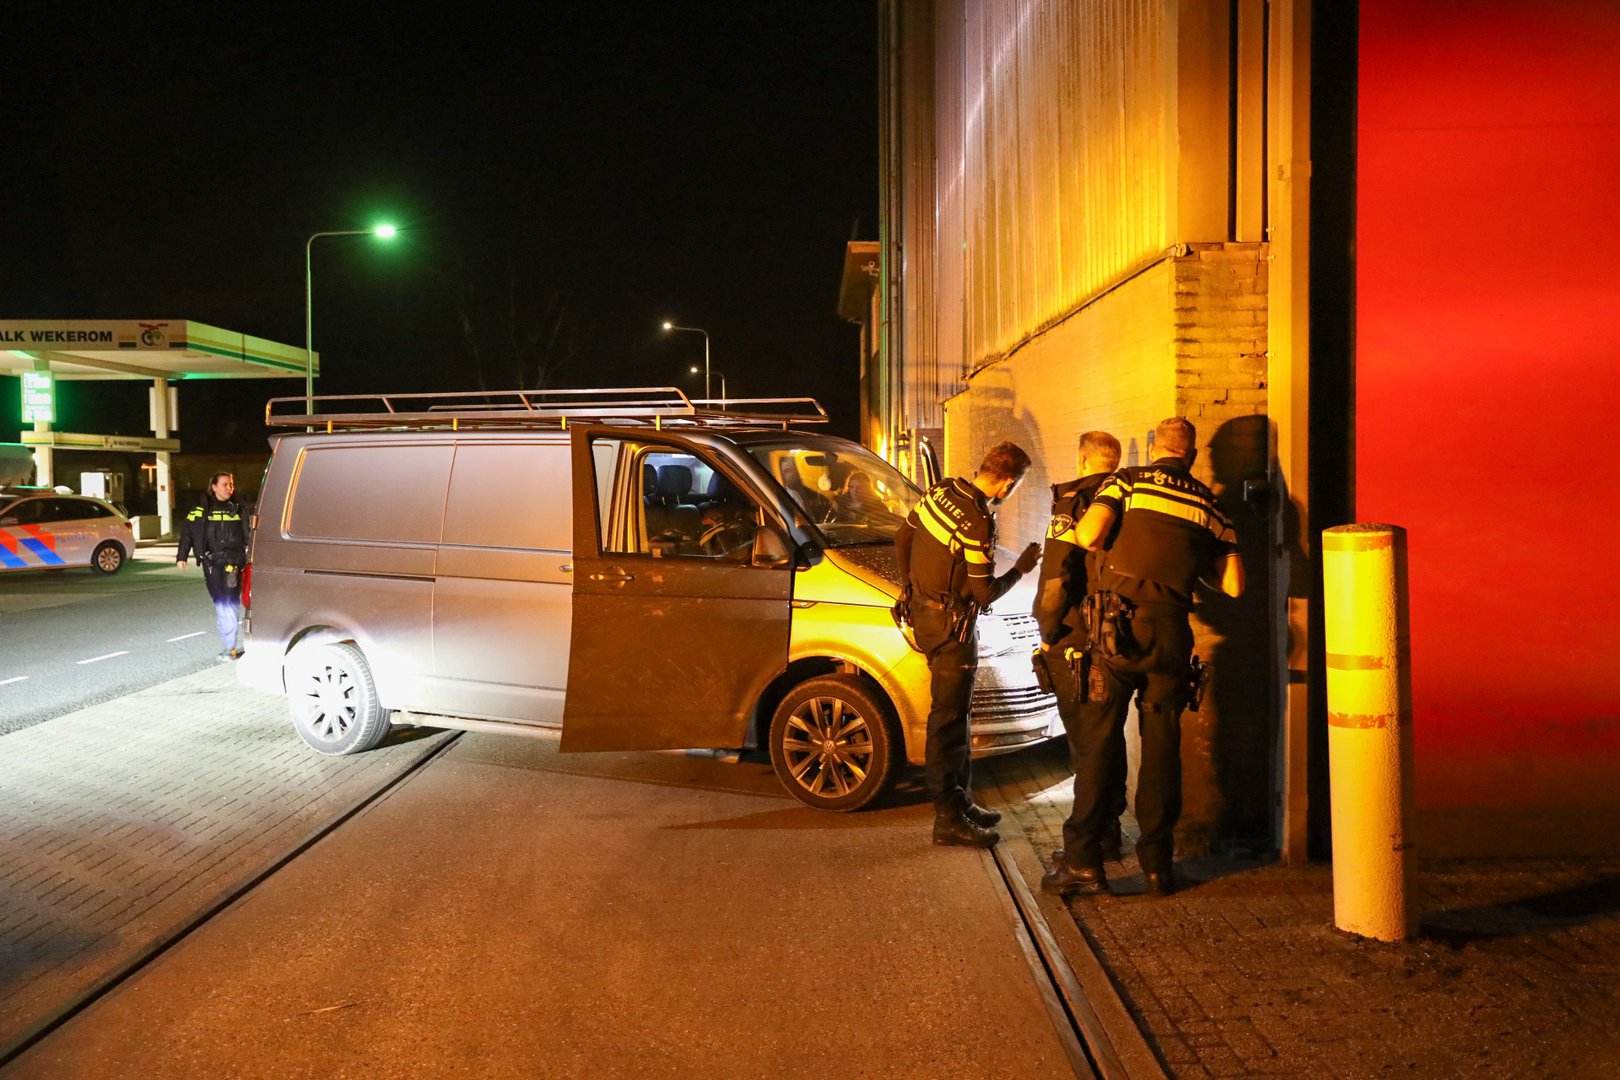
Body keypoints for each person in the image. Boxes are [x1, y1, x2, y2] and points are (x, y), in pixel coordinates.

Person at [1040, 418, 1243, 897]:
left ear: (1155, 448)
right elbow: (1233, 584)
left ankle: (1084, 863)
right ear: (1192, 457)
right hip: (1171, 636)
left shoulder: (1127, 482)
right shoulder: (1212, 506)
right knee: (1161, 749)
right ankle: (1158, 866)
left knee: (1099, 744)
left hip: (1116, 632)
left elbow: (1089, 536)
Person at [895, 441, 1042, 848]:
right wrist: (1021, 569)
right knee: (949, 720)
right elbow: (984, 594)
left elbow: (902, 536)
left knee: (955, 717)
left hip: (926, 618)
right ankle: (947, 818)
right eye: (1017, 485)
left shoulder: (940, 492)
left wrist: (909, 589)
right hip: (955, 630)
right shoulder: (978, 522)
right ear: (1007, 482)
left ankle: (961, 803)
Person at [1031, 430, 1129, 878]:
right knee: (1108, 737)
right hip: (1117, 637)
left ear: (1083, 459)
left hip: (1076, 640)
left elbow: (1056, 575)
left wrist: (1048, 632)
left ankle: (1084, 854)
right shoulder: (1130, 499)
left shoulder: (1074, 503)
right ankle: (1108, 831)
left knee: (1086, 744)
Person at [177, 472, 252, 662]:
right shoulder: (200, 510)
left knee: (228, 603)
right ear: (214, 487)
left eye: (231, 484)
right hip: (211, 565)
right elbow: (188, 533)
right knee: (221, 604)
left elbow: (251, 532)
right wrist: (182, 556)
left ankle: (230, 649)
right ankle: (229, 645)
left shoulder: (239, 508)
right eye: (225, 484)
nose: (229, 488)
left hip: (232, 563)